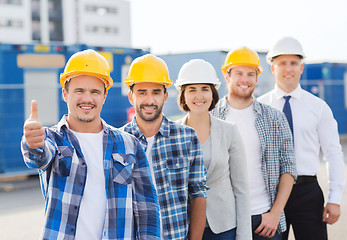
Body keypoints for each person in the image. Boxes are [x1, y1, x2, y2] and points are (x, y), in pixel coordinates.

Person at [21, 49, 160, 240]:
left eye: (95, 92)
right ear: (65, 94)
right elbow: (38, 156)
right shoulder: (52, 139)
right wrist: (32, 143)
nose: (87, 98)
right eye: (79, 91)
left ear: (104, 96)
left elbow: (147, 209)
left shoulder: (129, 144)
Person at [258, 36, 345, 240]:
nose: (288, 69)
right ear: (272, 68)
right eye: (282, 63)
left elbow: (333, 153)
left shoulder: (318, 108)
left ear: (302, 68)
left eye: (294, 63)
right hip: (269, 194)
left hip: (307, 193)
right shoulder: (259, 108)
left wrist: (335, 199)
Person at [211, 46, 297, 240]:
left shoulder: (275, 118)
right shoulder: (211, 116)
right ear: (227, 76)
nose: (245, 79)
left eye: (251, 74)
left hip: (264, 219)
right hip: (224, 221)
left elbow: (289, 167)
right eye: (239, 73)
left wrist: (275, 213)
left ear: (257, 78)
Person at [121, 54, 207, 240]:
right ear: (131, 96)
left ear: (165, 96)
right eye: (142, 92)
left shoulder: (187, 138)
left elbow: (198, 193)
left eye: (156, 92)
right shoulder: (118, 141)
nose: (149, 100)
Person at [175, 59, 252, 240]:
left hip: (223, 228)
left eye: (204, 89)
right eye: (191, 89)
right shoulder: (173, 133)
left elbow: (241, 189)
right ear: (183, 95)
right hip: (184, 226)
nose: (199, 96)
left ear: (213, 93)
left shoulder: (229, 131)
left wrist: (244, 236)